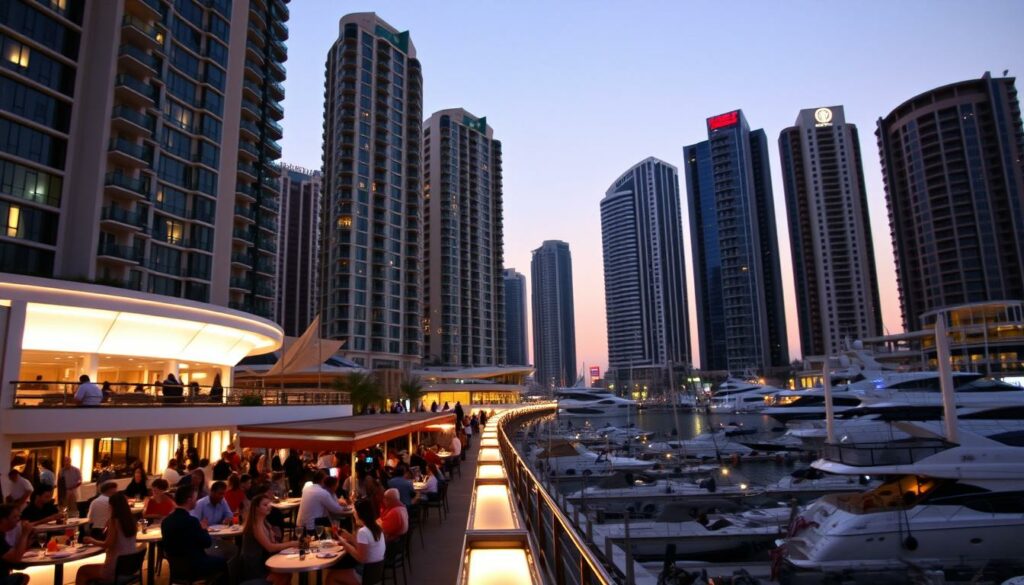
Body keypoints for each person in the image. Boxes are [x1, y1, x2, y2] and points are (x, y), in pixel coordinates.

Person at [160, 486, 227, 583]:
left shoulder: (166, 522)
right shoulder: (192, 521)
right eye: (195, 498)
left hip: (176, 567)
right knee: (222, 562)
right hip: (194, 566)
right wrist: (204, 529)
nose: (196, 501)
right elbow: (207, 543)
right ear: (189, 500)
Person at [75, 493, 138, 585]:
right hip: (130, 567)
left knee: (82, 571)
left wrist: (92, 540)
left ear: (112, 506)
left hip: (115, 568)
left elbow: (108, 544)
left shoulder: (114, 521)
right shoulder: (132, 520)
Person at [240, 495, 298, 585]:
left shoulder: (265, 522)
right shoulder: (255, 525)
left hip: (265, 561)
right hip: (255, 566)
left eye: (269, 504)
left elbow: (274, 543)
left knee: (287, 573)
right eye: (265, 504)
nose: (269, 506)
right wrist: (292, 543)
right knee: (283, 575)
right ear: (256, 508)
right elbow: (270, 547)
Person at [326, 499, 385, 585]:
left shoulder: (363, 531)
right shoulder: (377, 528)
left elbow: (361, 558)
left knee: (331, 576)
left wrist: (345, 544)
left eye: (354, 512)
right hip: (376, 572)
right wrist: (350, 537)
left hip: (365, 574)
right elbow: (366, 548)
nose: (353, 514)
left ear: (359, 514)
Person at [0, 503, 33, 585]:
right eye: (15, 517)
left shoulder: (3, 533)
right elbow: (16, 558)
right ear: (4, 520)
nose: (18, 519)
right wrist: (25, 534)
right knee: (22, 578)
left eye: (19, 516)